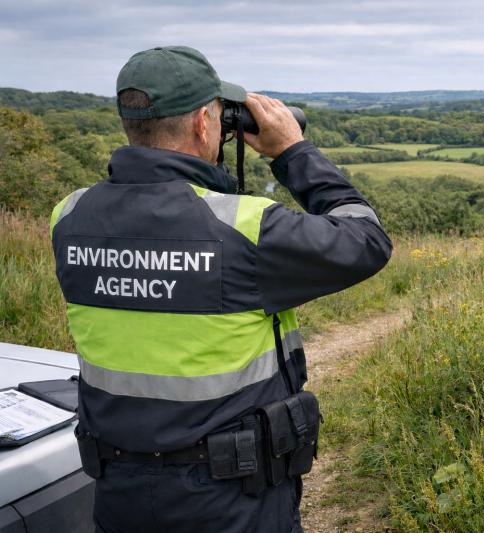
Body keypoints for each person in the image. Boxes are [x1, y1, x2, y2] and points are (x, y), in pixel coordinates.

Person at [49, 45, 392, 533]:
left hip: (116, 489)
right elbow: (367, 239)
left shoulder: (69, 217)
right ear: (204, 124)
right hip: (230, 499)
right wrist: (294, 153)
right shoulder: (246, 230)